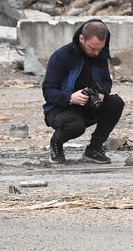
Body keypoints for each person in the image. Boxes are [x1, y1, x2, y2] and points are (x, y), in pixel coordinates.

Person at [41, 19, 124, 164]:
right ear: (81, 39)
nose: (96, 53)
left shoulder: (100, 56)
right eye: (92, 48)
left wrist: (101, 93)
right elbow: (48, 91)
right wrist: (71, 97)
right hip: (60, 109)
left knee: (116, 103)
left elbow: (106, 82)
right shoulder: (61, 56)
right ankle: (56, 143)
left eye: (100, 49)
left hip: (89, 106)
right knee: (75, 126)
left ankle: (94, 149)